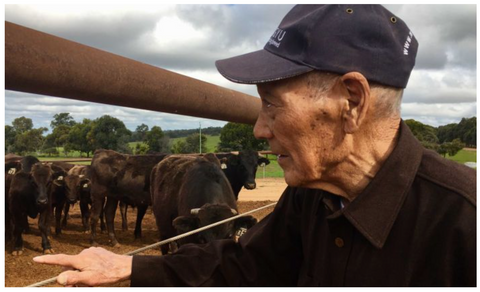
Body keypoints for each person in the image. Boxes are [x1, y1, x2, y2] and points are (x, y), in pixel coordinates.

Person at [33, 4, 476, 287]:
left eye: (271, 106)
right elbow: (244, 265)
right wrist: (130, 268)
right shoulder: (311, 196)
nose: (260, 129)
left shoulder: (463, 223)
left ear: (351, 102)